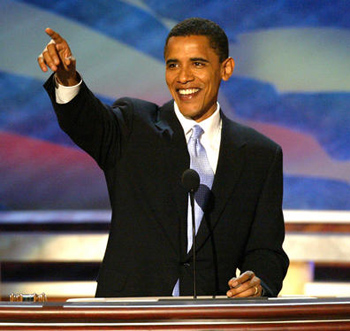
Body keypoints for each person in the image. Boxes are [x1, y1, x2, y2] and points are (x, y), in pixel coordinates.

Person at [38, 18, 289, 298]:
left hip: (209, 319)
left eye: (197, 63)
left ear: (225, 68)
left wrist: (257, 285)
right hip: (131, 317)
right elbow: (87, 121)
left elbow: (266, 251)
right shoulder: (133, 126)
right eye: (173, 65)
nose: (183, 77)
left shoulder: (260, 154)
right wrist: (67, 79)